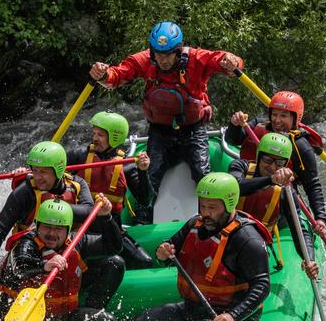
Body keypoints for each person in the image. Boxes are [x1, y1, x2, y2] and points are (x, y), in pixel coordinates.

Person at [89, 21, 243, 218]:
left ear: (178, 51)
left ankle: (212, 218)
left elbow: (221, 59)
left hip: (193, 129)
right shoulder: (144, 60)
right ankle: (144, 218)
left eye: (168, 54)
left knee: (202, 173)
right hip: (160, 131)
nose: (163, 60)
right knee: (150, 175)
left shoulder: (195, 58)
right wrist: (103, 74)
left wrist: (231, 61)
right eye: (159, 54)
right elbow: (117, 75)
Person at [127, 172, 271, 321]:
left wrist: (233, 316)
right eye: (202, 206)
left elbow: (262, 285)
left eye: (212, 208)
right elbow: (167, 252)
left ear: (229, 205)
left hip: (232, 317)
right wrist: (162, 253)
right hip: (194, 309)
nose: (205, 213)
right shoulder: (194, 224)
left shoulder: (247, 239)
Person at [0, 198, 122, 321]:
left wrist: (106, 217)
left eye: (58, 229)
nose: (52, 233)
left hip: (63, 316)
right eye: (47, 227)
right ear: (38, 226)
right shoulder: (25, 244)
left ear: (68, 230)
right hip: (24, 320)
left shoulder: (75, 241)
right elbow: (20, 266)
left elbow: (114, 246)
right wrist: (44, 265)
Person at [0, 141, 94, 292]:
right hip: (28, 256)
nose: (37, 177)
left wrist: (56, 209)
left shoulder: (76, 184)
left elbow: (89, 211)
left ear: (58, 170)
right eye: (35, 171)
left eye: (43, 172)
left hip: (64, 251)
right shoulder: (24, 192)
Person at [225, 91, 326, 237]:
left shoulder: (301, 147)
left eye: (283, 116)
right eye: (274, 115)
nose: (277, 120)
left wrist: (320, 218)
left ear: (295, 118)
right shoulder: (257, 125)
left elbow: (312, 184)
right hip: (247, 185)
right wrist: (234, 125)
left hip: (278, 195)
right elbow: (233, 140)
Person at [66, 111, 154, 268]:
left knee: (144, 262)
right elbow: (50, 174)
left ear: (115, 137)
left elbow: (145, 200)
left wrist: (142, 171)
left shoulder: (126, 166)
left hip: (111, 232)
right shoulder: (79, 156)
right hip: (79, 231)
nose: (95, 138)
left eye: (100, 135)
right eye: (94, 133)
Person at [227, 132, 319, 279]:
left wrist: (309, 258)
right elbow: (236, 186)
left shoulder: (286, 192)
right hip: (227, 235)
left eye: (279, 163)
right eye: (268, 160)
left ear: (286, 164)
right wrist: (270, 180)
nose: (272, 167)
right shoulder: (240, 166)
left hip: (254, 245)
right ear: (259, 157)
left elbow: (299, 229)